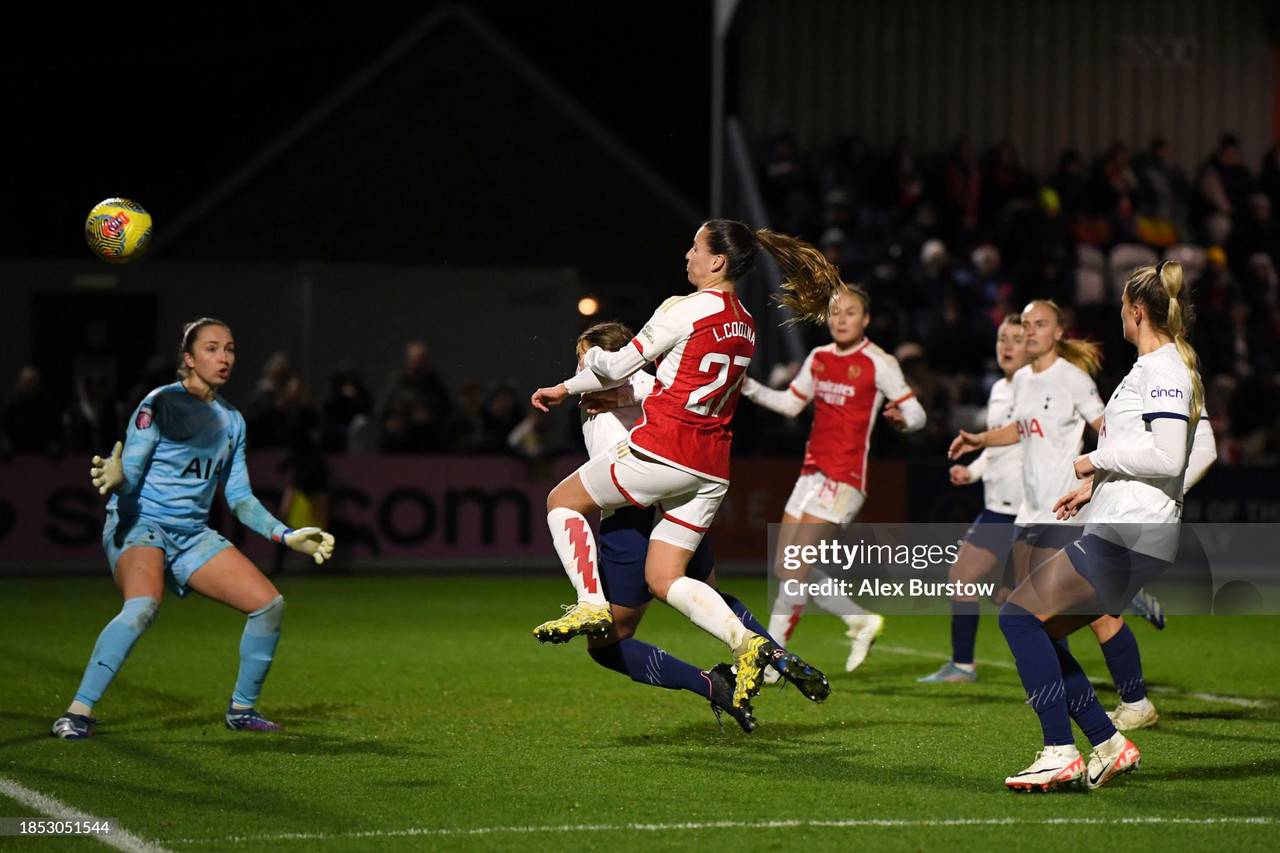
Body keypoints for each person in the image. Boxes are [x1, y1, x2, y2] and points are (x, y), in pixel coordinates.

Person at [529, 218, 839, 715]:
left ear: (717, 260)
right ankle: (749, 643)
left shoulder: (688, 309)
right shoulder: (744, 320)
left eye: (695, 248)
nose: (687, 256)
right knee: (667, 577)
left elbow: (617, 365)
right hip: (711, 468)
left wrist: (567, 386)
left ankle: (589, 601)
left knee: (561, 501)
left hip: (665, 451)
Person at [50, 318, 336, 740]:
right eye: (212, 348)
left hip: (190, 535)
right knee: (143, 605)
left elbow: (238, 499)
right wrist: (117, 478)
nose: (224, 357)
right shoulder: (158, 404)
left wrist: (285, 535)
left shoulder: (232, 421)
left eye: (230, 349)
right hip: (138, 523)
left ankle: (242, 709)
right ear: (188, 358)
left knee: (269, 605)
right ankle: (76, 713)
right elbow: (129, 472)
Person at [997, 259, 1216, 791]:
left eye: (1122, 304)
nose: (1119, 312)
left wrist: (1099, 461)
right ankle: (1108, 743)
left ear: (1137, 311)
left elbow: (1169, 456)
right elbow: (1198, 450)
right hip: (1127, 525)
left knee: (1017, 617)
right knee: (1044, 628)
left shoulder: (1164, 370)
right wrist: (1102, 487)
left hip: (1129, 533)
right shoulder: (1158, 370)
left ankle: (1059, 750)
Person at [569, 321, 797, 733]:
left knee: (609, 641)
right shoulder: (656, 384)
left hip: (633, 520)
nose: (579, 367)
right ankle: (776, 653)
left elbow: (619, 473)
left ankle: (711, 685)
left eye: (583, 357)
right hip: (681, 503)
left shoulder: (595, 398)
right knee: (707, 594)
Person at [738, 282, 927, 674]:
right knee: (785, 569)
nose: (841, 320)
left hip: (844, 478)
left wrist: (901, 421)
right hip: (810, 474)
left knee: (795, 567)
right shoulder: (819, 356)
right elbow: (791, 404)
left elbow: (917, 415)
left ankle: (772, 664)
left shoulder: (879, 361)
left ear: (866, 319)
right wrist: (748, 386)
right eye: (835, 313)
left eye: (851, 312)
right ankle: (858, 619)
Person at [919, 313, 1028, 683]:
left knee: (1033, 599)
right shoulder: (999, 389)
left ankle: (1116, 600)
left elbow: (1029, 438)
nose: (1007, 346)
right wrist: (974, 471)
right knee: (967, 578)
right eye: (1002, 339)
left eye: (1016, 338)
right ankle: (963, 664)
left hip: (1030, 509)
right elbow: (997, 443)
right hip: (998, 508)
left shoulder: (1039, 387)